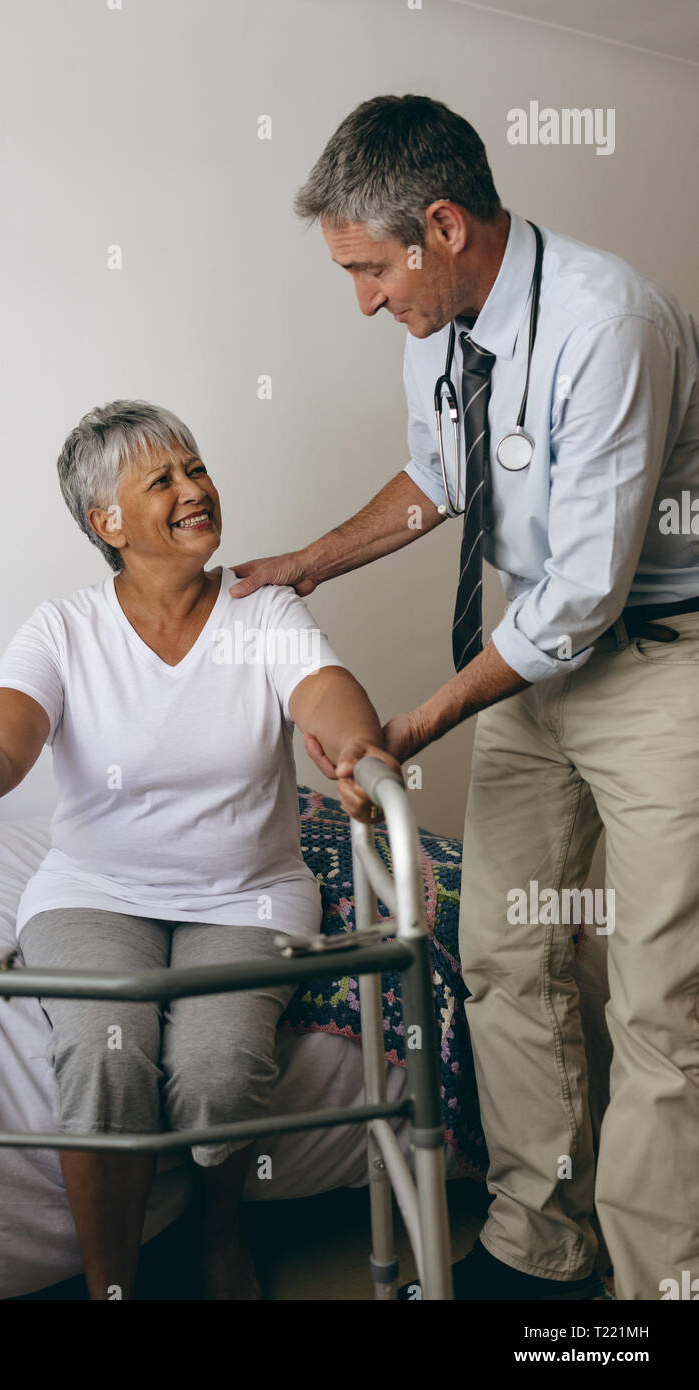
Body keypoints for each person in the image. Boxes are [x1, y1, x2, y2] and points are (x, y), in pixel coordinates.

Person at [229, 94, 699, 1301]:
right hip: (537, 663)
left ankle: (652, 1287)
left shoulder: (607, 322)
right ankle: (539, 1238)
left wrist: (419, 720)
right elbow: (433, 482)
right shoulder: (441, 322)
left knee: (659, 999)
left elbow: (584, 597)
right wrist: (304, 563)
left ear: (442, 225)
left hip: (656, 664)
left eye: (370, 269)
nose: (365, 299)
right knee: (499, 951)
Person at [0, 398, 400, 1300]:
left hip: (248, 893)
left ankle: (219, 1226)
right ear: (105, 522)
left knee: (217, 1070)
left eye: (196, 468)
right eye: (164, 480)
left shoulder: (260, 609)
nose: (195, 489)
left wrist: (353, 748)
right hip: (95, 890)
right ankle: (109, 1286)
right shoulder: (64, 628)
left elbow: (326, 693)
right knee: (106, 1056)